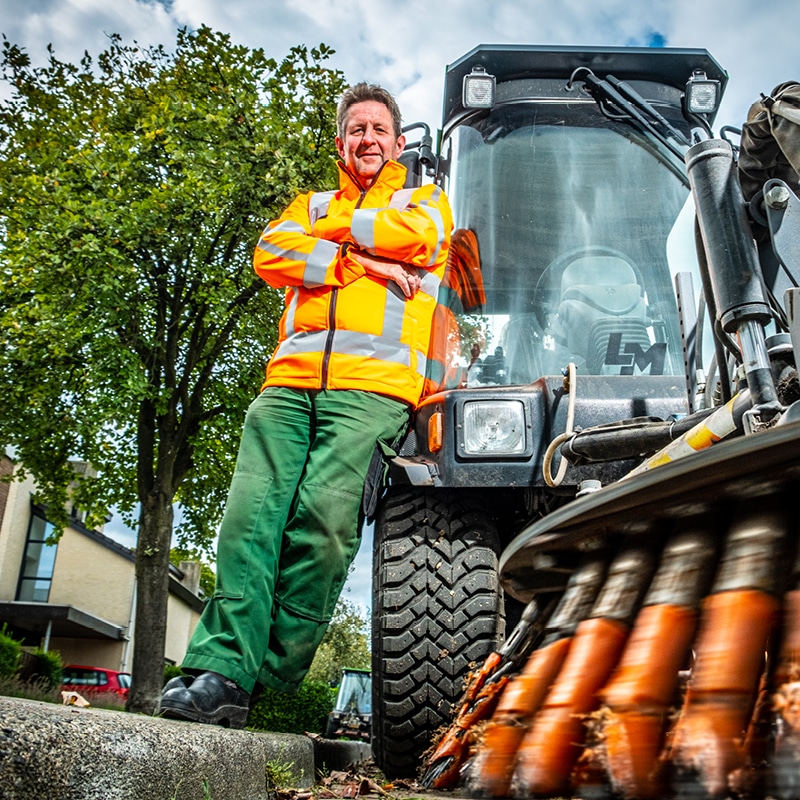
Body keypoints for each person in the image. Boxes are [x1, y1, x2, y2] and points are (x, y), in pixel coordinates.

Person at [159, 82, 453, 727]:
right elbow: (272, 253)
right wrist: (368, 264)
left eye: (379, 129)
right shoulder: (308, 201)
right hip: (287, 385)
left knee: (321, 527)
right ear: (342, 142)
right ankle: (219, 668)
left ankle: (261, 676)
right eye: (356, 130)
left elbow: (416, 237)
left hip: (372, 392)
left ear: (398, 144)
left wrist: (335, 240)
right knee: (249, 522)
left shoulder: (425, 200)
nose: (367, 139)